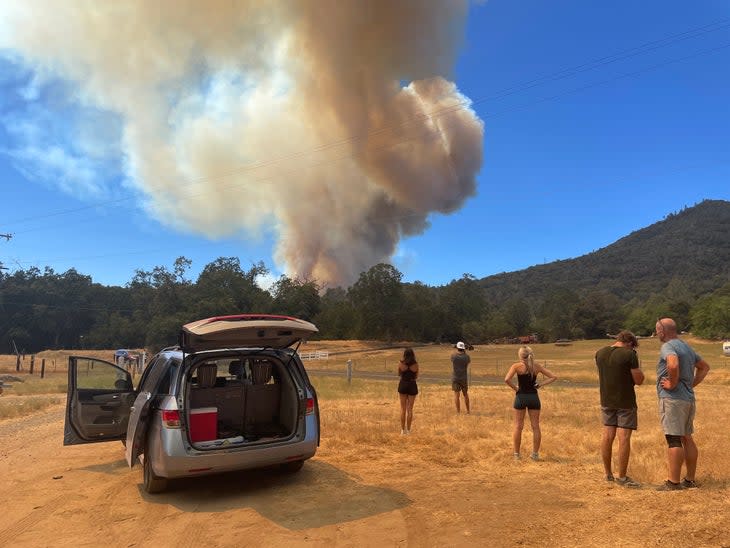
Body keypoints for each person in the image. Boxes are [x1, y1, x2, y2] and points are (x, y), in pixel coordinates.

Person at [654, 318, 710, 491]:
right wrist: (690, 385)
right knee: (687, 437)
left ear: (663, 331)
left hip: (673, 400)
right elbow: (704, 367)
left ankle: (673, 482)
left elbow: (672, 364)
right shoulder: (686, 346)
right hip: (687, 399)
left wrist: (672, 383)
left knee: (673, 438)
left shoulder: (668, 346)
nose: (656, 334)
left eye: (657, 330)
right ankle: (690, 480)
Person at [595, 330, 644, 487]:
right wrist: (637, 362)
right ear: (630, 343)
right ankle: (622, 477)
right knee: (623, 438)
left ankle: (608, 474)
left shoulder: (600, 353)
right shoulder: (629, 355)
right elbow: (639, 380)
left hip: (606, 399)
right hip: (625, 401)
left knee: (607, 436)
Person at [504, 346, 557, 460]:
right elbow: (553, 377)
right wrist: (540, 384)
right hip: (534, 397)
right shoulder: (536, 366)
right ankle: (535, 454)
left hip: (521, 397)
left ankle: (517, 455)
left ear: (520, 355)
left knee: (518, 426)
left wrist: (516, 389)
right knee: (535, 427)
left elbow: (507, 379)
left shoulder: (516, 366)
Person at [397, 347, 419, 435]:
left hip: (403, 384)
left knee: (403, 409)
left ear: (404, 354)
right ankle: (409, 430)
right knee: (410, 409)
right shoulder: (416, 364)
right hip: (412, 384)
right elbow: (416, 376)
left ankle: (402, 430)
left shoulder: (401, 363)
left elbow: (399, 373)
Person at [451, 342, 471, 414]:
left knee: (456, 395)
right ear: (463, 348)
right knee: (465, 394)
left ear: (457, 348)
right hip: (464, 378)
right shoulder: (467, 357)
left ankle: (458, 411)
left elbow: (452, 357)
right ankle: (468, 410)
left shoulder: (454, 356)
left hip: (455, 378)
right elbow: (468, 362)